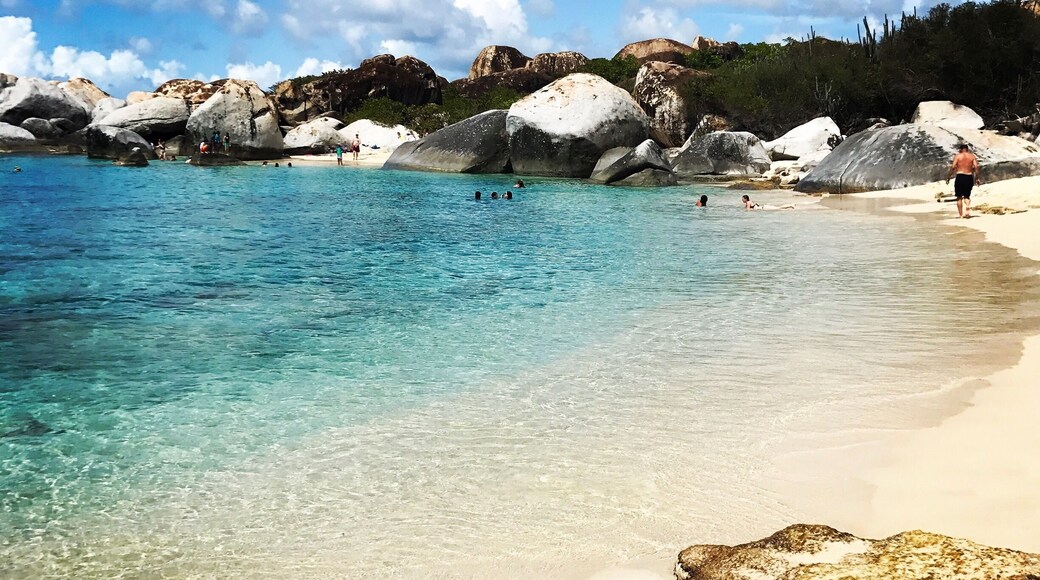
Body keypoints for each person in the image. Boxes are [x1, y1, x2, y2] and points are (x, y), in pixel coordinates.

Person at [946, 143, 981, 218]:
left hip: (960, 176)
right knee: (967, 196)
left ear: (960, 149)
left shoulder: (958, 156)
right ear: (967, 149)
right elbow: (976, 167)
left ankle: (961, 215)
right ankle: (967, 205)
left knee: (959, 197)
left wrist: (948, 177)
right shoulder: (972, 156)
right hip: (969, 176)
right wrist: (977, 178)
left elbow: (953, 167)